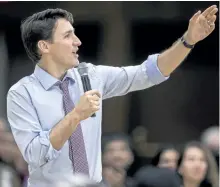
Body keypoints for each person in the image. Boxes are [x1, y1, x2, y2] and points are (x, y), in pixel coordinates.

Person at [6, 5, 218, 187]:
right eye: (68, 35)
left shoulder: (90, 75)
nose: (78, 41)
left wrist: (189, 40)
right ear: (44, 46)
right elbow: (35, 154)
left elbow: (148, 73)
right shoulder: (22, 94)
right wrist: (76, 115)